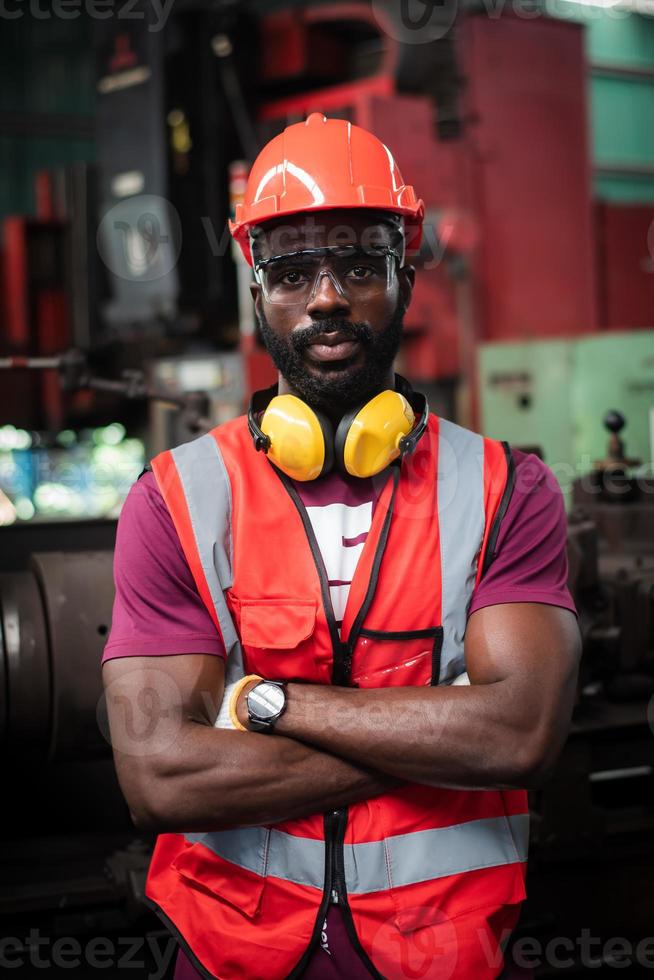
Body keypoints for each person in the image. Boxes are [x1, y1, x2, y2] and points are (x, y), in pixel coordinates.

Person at [102, 113, 581, 980]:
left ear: (404, 279)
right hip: (229, 957)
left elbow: (518, 737)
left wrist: (262, 705)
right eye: (291, 271)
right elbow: (160, 780)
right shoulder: (173, 500)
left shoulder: (508, 490)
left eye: (360, 264)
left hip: (444, 957)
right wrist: (437, 733)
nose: (326, 296)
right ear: (257, 292)